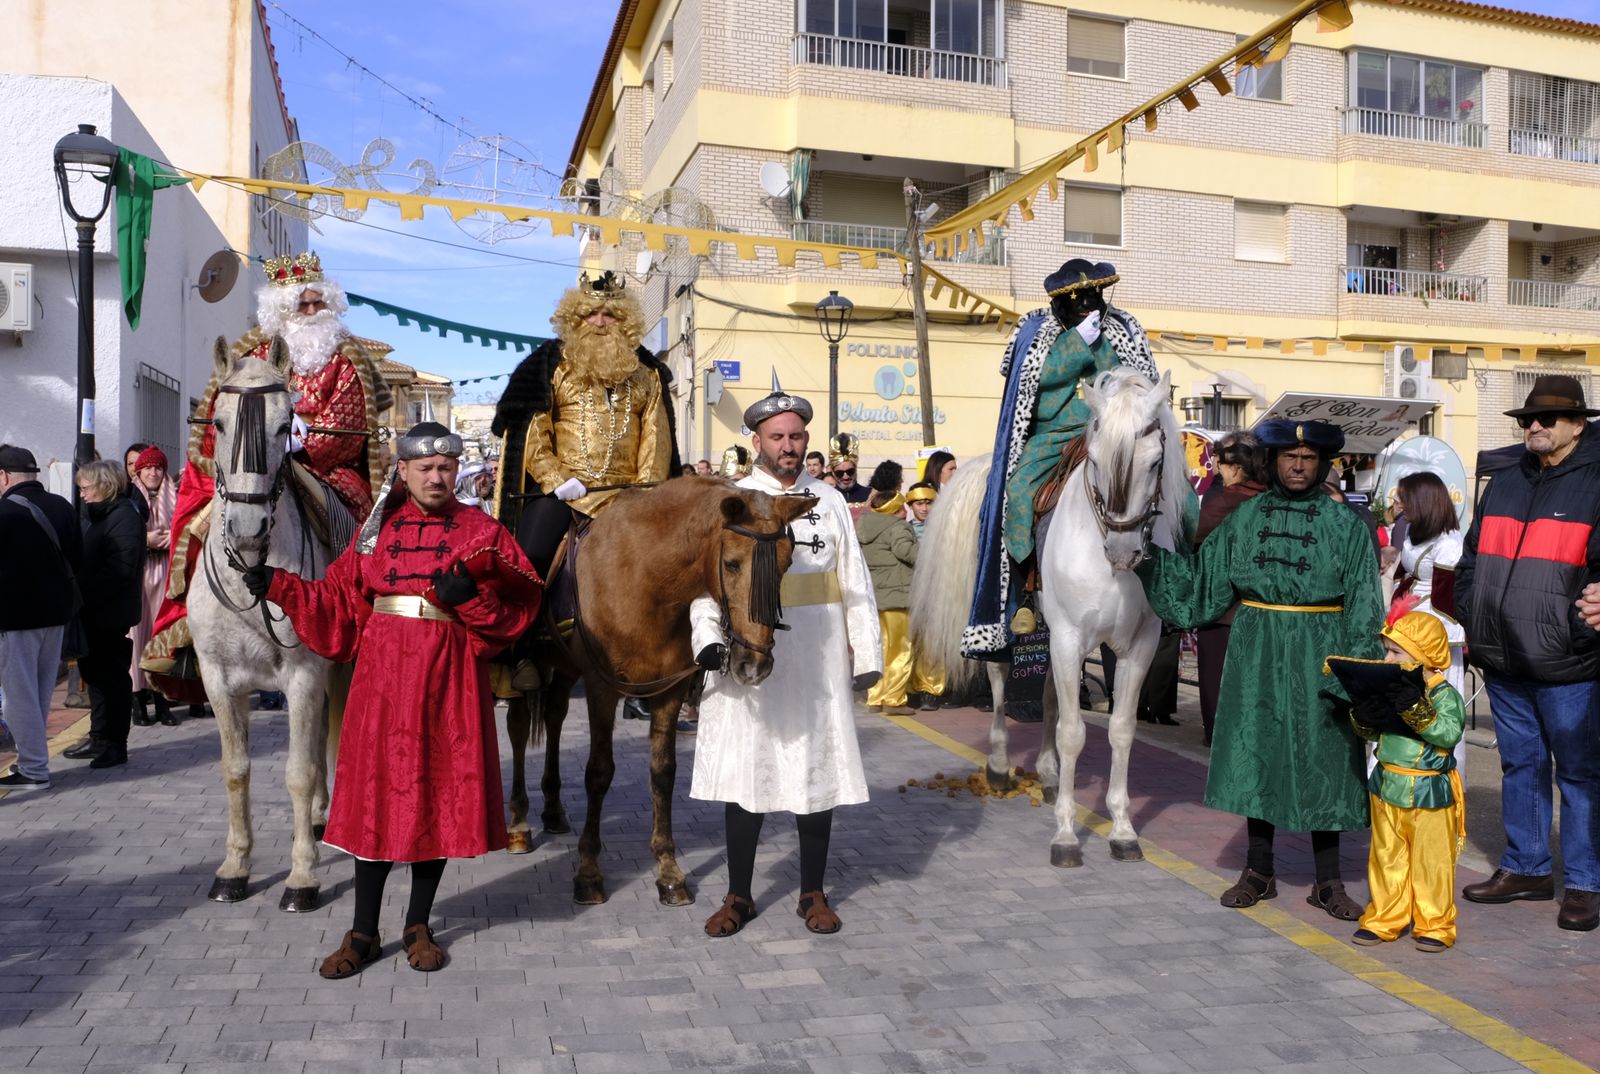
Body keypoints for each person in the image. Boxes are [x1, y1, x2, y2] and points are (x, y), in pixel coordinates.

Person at [240, 422, 541, 976]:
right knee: (374, 801)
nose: (437, 477)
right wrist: (279, 584)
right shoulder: (374, 533)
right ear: (403, 471)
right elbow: (337, 598)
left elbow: (518, 612)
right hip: (380, 684)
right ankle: (362, 932)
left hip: (449, 682)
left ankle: (418, 924)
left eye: (446, 467)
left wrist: (469, 601)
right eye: (425, 468)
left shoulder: (483, 532)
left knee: (436, 795)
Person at [1139, 419, 1383, 918]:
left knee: (1326, 758)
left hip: (1322, 650)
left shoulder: (1346, 527)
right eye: (1290, 457)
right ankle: (1258, 869)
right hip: (1257, 649)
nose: (1299, 466)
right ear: (1272, 462)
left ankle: (1329, 881)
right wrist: (1147, 557)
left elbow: (1365, 604)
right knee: (1258, 750)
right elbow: (1203, 582)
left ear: (1323, 463)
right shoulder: (1246, 518)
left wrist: (1355, 675)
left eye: (1309, 458)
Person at [143, 251, 390, 703]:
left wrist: (302, 442)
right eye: (302, 304)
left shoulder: (345, 358)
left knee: (351, 528)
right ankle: (186, 629)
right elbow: (220, 413)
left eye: (317, 303)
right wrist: (259, 444)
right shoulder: (248, 354)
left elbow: (351, 417)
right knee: (196, 525)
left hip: (322, 466)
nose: (310, 311)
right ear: (281, 307)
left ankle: (352, 608)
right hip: (254, 462)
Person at [689, 387, 882, 938]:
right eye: (777, 437)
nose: (789, 446)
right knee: (746, 773)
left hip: (817, 659)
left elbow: (855, 581)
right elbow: (707, 585)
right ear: (758, 442)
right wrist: (707, 638)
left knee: (814, 773)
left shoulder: (830, 501)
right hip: (748, 655)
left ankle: (812, 892)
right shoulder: (731, 501)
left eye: (796, 436)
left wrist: (867, 654)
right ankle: (739, 894)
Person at [1457, 375, 1600, 932]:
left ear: (1578, 425)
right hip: (1503, 657)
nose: (1533, 426)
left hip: (1569, 663)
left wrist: (1579, 629)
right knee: (1520, 765)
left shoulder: (1596, 479)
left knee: (1580, 775)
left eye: (1546, 418)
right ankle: (1527, 868)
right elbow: (1471, 558)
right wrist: (1474, 613)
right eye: (1526, 419)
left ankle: (1585, 882)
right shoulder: (1507, 479)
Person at [966, 258, 1159, 658]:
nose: (1088, 305)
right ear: (1062, 303)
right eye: (1079, 300)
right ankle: (1026, 593)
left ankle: (1172, 585)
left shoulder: (1122, 330)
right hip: (1054, 435)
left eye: (1094, 297)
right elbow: (1037, 377)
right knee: (1019, 493)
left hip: (1109, 430)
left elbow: (1139, 380)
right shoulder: (1036, 332)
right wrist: (1076, 344)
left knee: (1172, 490)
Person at [490, 271, 676, 579]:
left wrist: (644, 493)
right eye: (591, 313)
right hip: (565, 491)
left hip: (628, 496)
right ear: (576, 319)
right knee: (528, 559)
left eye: (610, 315)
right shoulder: (551, 367)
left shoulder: (648, 375)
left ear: (625, 321)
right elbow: (534, 434)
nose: (600, 322)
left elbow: (657, 439)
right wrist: (557, 480)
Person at [1338, 611, 1466, 952]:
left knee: (1431, 862)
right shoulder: (1390, 688)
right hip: (1387, 786)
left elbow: (1448, 733)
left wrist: (1415, 709)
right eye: (1387, 651)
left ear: (1423, 654)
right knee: (1386, 857)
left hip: (1429, 791)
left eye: (1396, 652)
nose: (1387, 659)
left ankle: (1435, 924)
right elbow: (1375, 732)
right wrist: (1363, 718)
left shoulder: (1443, 695)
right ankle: (1384, 918)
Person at [0, 446, 80, 791]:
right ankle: (33, 763)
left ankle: (33, 768)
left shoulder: (3, 512)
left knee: (19, 698)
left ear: (3, 476)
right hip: (56, 614)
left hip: (14, 618)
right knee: (40, 694)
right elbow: (77, 557)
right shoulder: (62, 506)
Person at [67, 460, 146, 770]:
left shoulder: (124, 516)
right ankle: (99, 736)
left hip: (110, 612)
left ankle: (115, 743)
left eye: (86, 488)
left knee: (111, 679)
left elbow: (121, 569)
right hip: (95, 610)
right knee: (96, 677)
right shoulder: (101, 515)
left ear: (106, 486)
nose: (82, 494)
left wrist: (84, 592)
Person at [1194, 431, 1268, 747]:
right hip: (1262, 609)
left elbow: (1192, 536)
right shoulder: (1270, 499)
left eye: (1221, 463)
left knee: (1217, 681)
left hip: (1223, 609)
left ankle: (1221, 740)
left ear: (1236, 467)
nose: (1217, 469)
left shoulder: (1226, 501)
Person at [1389, 471, 1466, 774]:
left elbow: (1449, 599)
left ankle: (1437, 774)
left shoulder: (1449, 543)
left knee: (1436, 700)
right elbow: (1406, 573)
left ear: (1423, 501)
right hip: (1407, 622)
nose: (1399, 504)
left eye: (1405, 499)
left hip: (1435, 634)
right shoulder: (1413, 531)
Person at [856, 461, 922, 714]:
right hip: (898, 597)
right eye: (902, 507)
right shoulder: (898, 527)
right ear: (895, 509)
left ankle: (876, 698)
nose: (906, 511)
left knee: (880, 649)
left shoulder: (864, 528)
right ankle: (894, 699)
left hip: (876, 598)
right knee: (901, 650)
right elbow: (906, 552)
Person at [128, 446, 176, 727]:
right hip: (138, 575)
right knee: (137, 638)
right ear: (139, 471)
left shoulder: (175, 495)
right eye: (147, 468)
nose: (153, 473)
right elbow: (122, 532)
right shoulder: (129, 497)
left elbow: (186, 527)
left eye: (158, 468)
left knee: (162, 638)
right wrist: (145, 539)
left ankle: (162, 702)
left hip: (166, 573)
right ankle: (138, 702)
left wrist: (173, 535)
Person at [827, 435, 871, 507]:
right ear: (833, 473)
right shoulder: (827, 497)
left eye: (850, 471)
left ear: (855, 469)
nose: (846, 477)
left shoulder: (870, 495)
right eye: (839, 473)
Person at [123, 442, 151, 524]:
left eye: (139, 462)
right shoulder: (123, 495)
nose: (134, 468)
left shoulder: (169, 495)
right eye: (130, 464)